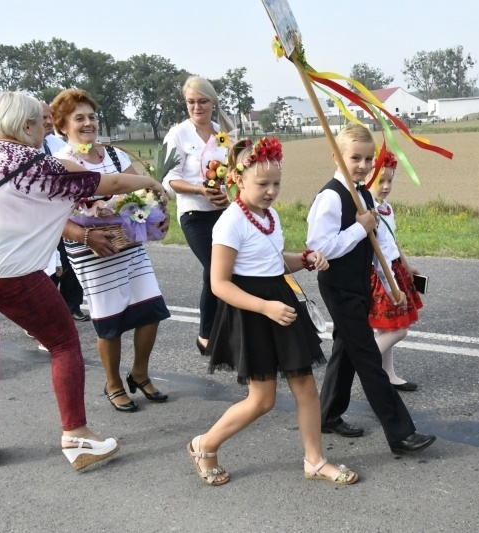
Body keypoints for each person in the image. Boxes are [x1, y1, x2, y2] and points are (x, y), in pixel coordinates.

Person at [0, 91, 165, 470]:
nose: (45, 127)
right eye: (41, 120)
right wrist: (150, 180)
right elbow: (109, 185)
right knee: (64, 343)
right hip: (7, 270)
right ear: (26, 125)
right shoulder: (35, 164)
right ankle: (77, 435)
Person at [188, 137, 357, 487]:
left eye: (276, 184)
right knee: (262, 400)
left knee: (306, 388)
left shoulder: (270, 216)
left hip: (281, 302)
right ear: (238, 180)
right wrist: (265, 307)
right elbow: (220, 283)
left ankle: (315, 460)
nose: (270, 191)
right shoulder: (229, 223)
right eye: (262, 184)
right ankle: (205, 444)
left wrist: (306, 259)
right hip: (253, 311)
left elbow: (273, 261)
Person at [306, 124, 436, 454]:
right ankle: (400, 433)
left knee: (346, 349)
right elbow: (318, 249)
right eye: (355, 158)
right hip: (338, 286)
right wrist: (358, 229)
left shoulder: (363, 193)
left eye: (368, 159)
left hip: (362, 282)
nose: (363, 165)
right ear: (336, 156)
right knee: (367, 358)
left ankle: (328, 414)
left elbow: (377, 244)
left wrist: (392, 282)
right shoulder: (330, 198)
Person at [52, 89, 171, 413]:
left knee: (152, 311)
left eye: (91, 116)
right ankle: (113, 383)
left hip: (128, 243)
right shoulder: (62, 162)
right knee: (110, 322)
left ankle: (140, 373)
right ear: (62, 125)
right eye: (80, 118)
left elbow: (142, 191)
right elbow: (53, 215)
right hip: (92, 251)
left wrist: (158, 215)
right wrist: (85, 235)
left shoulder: (115, 156)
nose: (88, 123)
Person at [162, 76, 233, 356]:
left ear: (212, 102)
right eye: (191, 101)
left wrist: (230, 190)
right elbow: (169, 180)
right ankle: (219, 333)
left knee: (214, 273)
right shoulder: (178, 134)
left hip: (224, 213)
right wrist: (200, 190)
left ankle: (208, 336)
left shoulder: (223, 132)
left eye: (202, 101)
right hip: (194, 214)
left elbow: (235, 170)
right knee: (220, 271)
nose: (196, 107)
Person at [368, 150, 423, 391]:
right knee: (398, 329)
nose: (386, 186)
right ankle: (364, 362)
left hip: (393, 268)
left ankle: (387, 374)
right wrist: (388, 281)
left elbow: (393, 240)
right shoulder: (368, 209)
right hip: (380, 274)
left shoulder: (386, 207)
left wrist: (406, 263)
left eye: (390, 180)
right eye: (381, 181)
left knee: (386, 328)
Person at [41, 101, 89, 322]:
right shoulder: (27, 146)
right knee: (50, 265)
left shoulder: (56, 143)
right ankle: (44, 315)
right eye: (41, 117)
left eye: (49, 116)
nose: (47, 121)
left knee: (70, 262)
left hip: (67, 214)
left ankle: (73, 306)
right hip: (45, 217)